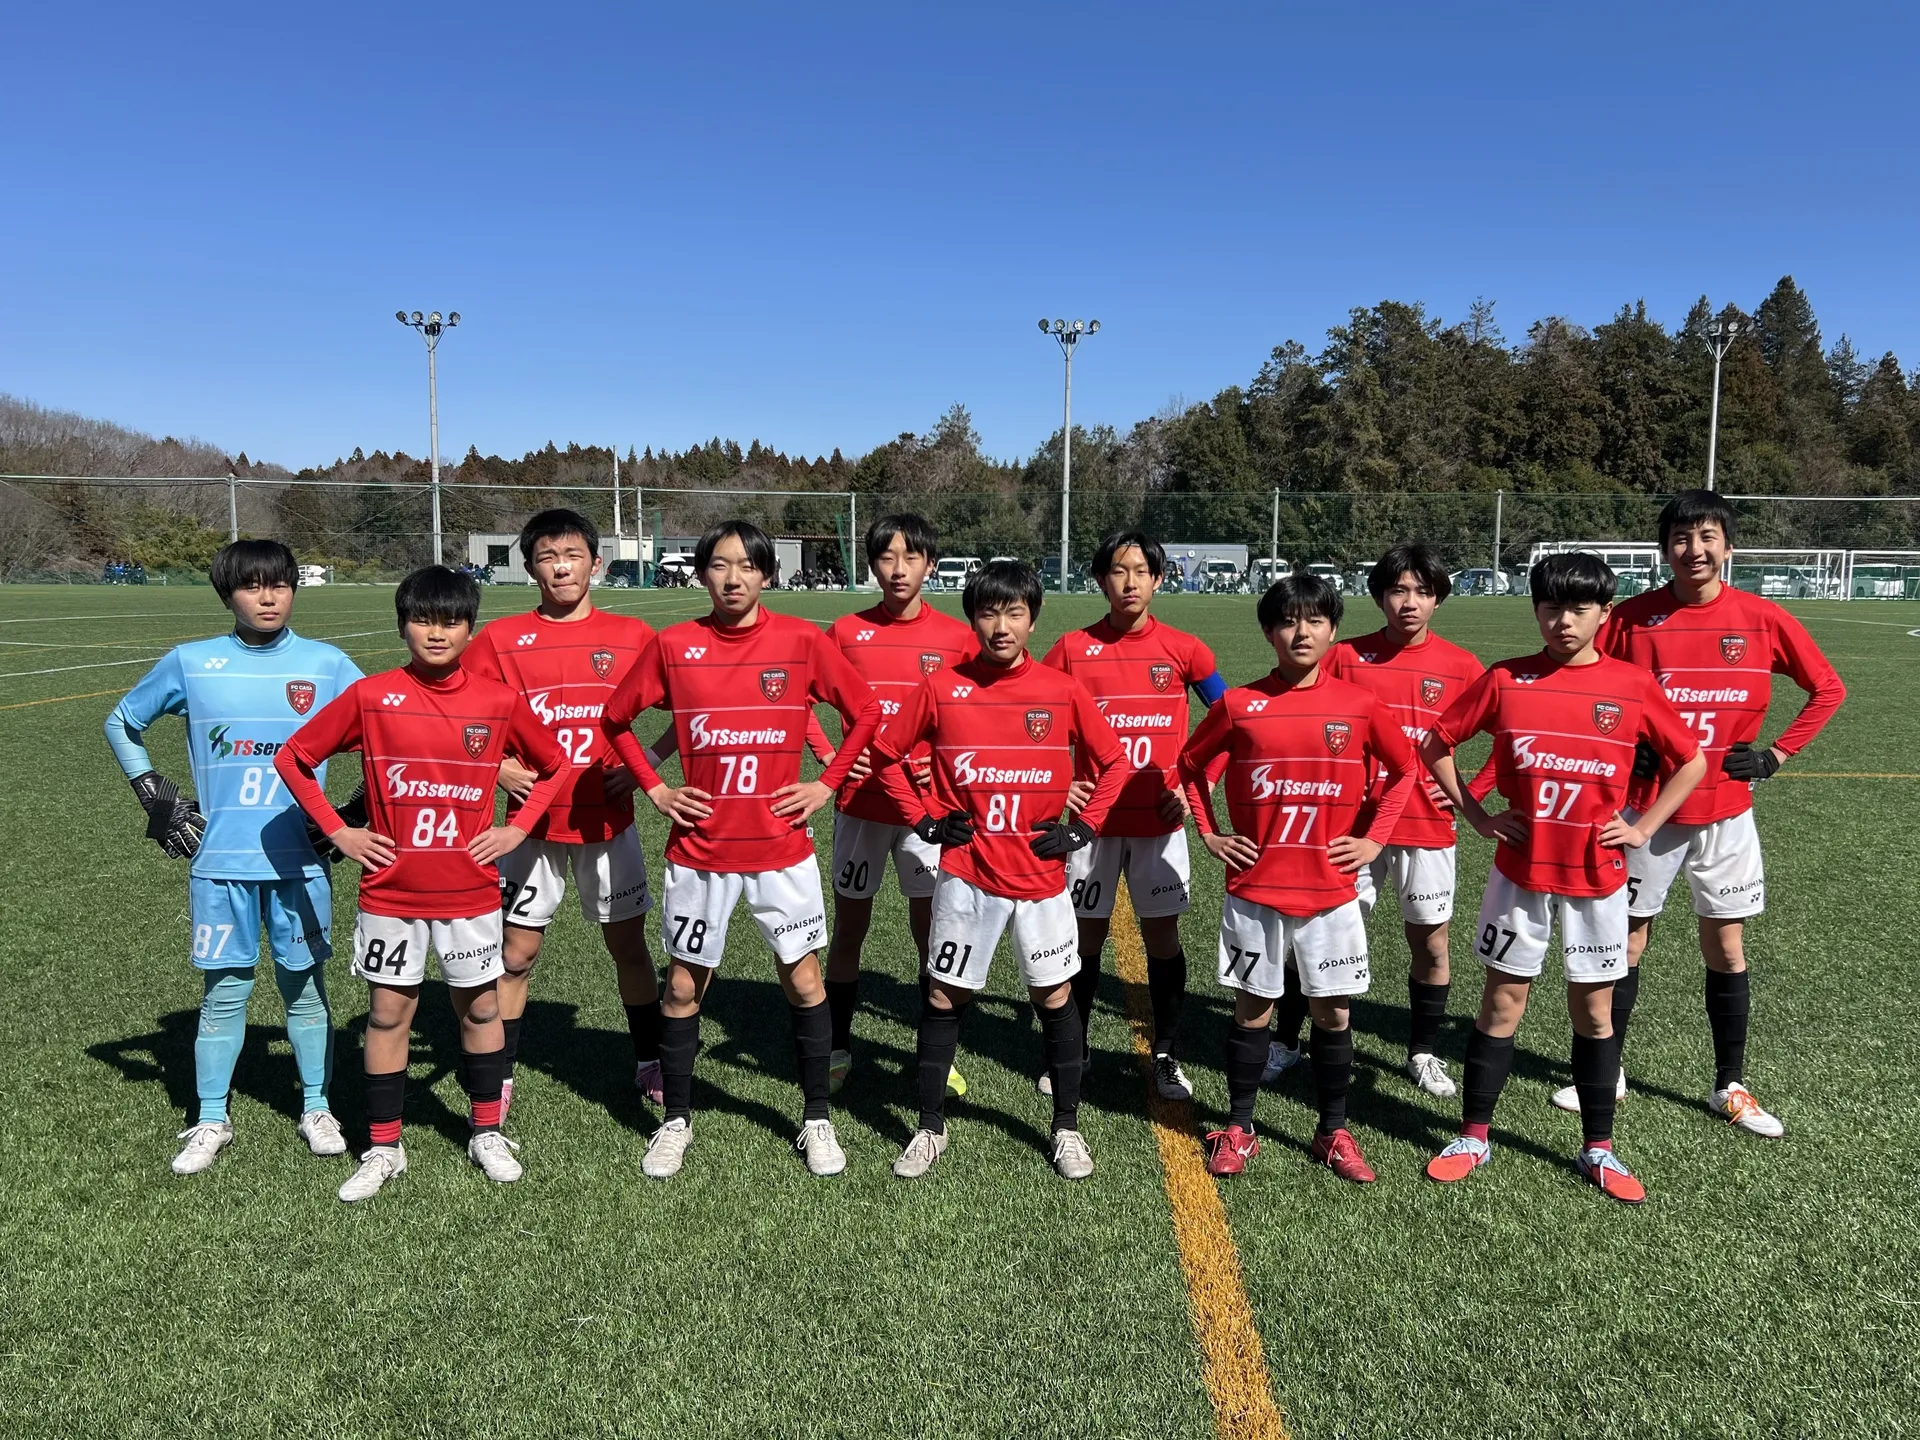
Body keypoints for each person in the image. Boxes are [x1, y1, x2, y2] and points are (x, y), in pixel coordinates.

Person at [1553, 490, 1845, 1134]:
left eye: (1707, 537)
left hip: (1727, 813)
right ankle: (1609, 1070)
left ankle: (1729, 1085)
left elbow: (1828, 688)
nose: (1694, 550)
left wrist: (1776, 754)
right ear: (1665, 549)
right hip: (1645, 815)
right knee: (1628, 939)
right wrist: (1620, 746)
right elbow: (1587, 686)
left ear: (1728, 547)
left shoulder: (1763, 618)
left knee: (1726, 945)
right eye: (1681, 538)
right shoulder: (1632, 619)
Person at [600, 521, 884, 1180]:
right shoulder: (675, 645)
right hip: (700, 853)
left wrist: (826, 784)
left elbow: (866, 711)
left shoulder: (802, 641)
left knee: (804, 980)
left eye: (748, 565)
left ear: (767, 574)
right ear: (702, 574)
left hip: (781, 851)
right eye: (720, 565)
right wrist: (657, 789)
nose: (734, 578)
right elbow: (615, 719)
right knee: (682, 986)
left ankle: (817, 1119)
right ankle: (676, 1121)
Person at [1420, 553, 1706, 1204]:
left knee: (1596, 1011)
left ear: (1606, 613)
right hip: (1519, 875)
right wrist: (1478, 815)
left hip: (1598, 879)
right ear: (1536, 610)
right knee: (1501, 1003)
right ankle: (1473, 1136)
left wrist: (1643, 827)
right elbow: (1434, 743)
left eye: (1580, 608)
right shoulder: (1506, 678)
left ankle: (1598, 1148)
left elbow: (1690, 760)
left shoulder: (1631, 685)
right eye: (1551, 608)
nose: (1564, 621)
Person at [276, 566, 568, 1202]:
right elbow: (293, 757)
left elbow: (556, 764)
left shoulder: (497, 701)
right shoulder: (371, 696)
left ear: (470, 628)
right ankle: (384, 1146)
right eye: (422, 620)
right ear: (402, 625)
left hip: (469, 892)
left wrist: (518, 829)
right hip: (391, 892)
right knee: (388, 1014)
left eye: (452, 621)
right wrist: (340, 832)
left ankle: (487, 1131)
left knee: (482, 1008)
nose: (437, 633)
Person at [104, 539, 363, 1175]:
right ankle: (211, 1118)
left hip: (300, 862)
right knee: (224, 993)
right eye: (251, 585)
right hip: (221, 863)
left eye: (279, 584)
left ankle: (317, 1107)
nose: (268, 597)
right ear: (228, 594)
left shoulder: (327, 664)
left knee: (305, 989)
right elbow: (122, 722)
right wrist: (154, 796)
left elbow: (392, 732)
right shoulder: (192, 663)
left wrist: (349, 817)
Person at [874, 560, 1127, 1181]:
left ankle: (1066, 1128)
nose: (1002, 626)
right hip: (966, 876)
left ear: (1033, 619)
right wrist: (924, 821)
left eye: (1015, 612)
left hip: (1041, 880)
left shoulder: (1061, 691)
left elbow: (1115, 763)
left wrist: (1083, 829)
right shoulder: (941, 688)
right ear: (973, 620)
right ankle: (929, 1129)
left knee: (1055, 997)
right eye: (989, 613)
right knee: (943, 994)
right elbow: (885, 753)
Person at [1179, 574, 1418, 1183]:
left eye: (1314, 621)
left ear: (1332, 631)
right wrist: (1210, 834)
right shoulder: (1239, 704)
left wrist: (1375, 839)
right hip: (1255, 887)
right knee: (1252, 1008)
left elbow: (1406, 768)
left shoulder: (1359, 705)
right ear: (1269, 632)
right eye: (1288, 621)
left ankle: (1332, 1130)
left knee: (1333, 1014)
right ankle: (1239, 1126)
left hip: (1331, 890)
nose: (1301, 632)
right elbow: (1189, 764)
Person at [1262, 544, 1486, 1097]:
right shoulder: (1345, 657)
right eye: (1398, 590)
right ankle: (1286, 1041)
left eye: (1423, 592)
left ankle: (1423, 1051)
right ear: (1379, 596)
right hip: (1350, 829)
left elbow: (1508, 732)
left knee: (1430, 942)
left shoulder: (1462, 666)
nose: (1410, 602)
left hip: (1427, 828)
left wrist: (1468, 796)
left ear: (1438, 599)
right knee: (1311, 934)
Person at [464, 509, 668, 1116]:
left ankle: (649, 1058)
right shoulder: (500, 640)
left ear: (595, 564)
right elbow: (462, 714)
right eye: (548, 557)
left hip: (608, 820)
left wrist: (645, 764)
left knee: (627, 947)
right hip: (528, 826)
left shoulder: (633, 636)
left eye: (573, 555)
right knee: (515, 954)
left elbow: (692, 704)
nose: (561, 567)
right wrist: (498, 767)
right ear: (531, 568)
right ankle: (499, 1073)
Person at [1039, 529, 1228, 1102]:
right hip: (1091, 828)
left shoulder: (1186, 650)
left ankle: (1165, 1054)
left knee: (1162, 938)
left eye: (1141, 571)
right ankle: (1076, 1048)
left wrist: (1200, 783)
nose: (1129, 582)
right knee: (1085, 937)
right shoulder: (1071, 649)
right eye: (1118, 572)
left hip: (1158, 824)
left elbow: (1233, 720)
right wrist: (1062, 781)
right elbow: (1032, 716)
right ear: (1101, 580)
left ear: (1158, 579)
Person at [806, 514, 977, 1097]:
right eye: (886, 557)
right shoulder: (845, 631)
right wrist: (831, 756)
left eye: (911, 557)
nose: (898, 569)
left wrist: (947, 759)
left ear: (931, 565)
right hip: (860, 804)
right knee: (850, 926)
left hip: (929, 810)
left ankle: (935, 1055)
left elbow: (979, 709)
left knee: (931, 930)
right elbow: (799, 697)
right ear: (872, 565)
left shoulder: (957, 637)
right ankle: (839, 1045)